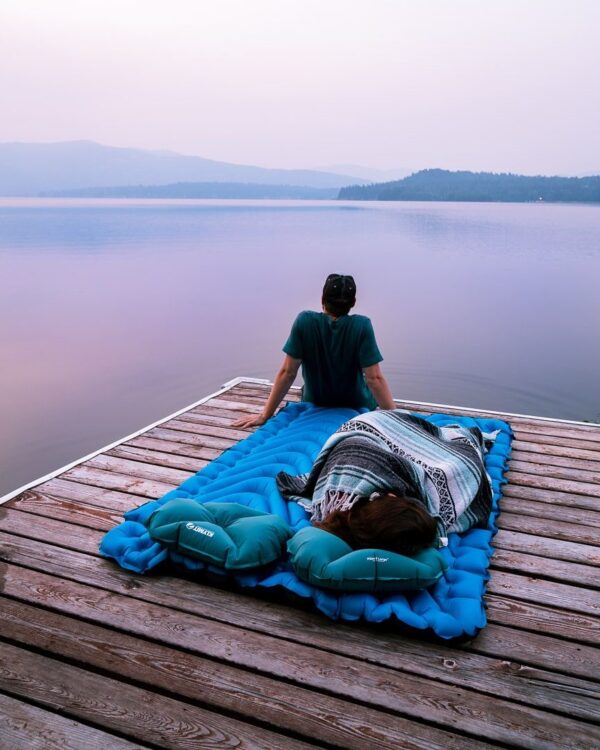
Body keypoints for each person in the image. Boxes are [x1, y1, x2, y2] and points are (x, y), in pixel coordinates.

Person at [277, 409, 493, 555]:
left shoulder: (336, 499)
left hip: (367, 430)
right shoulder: (380, 529)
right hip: (373, 433)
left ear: (384, 498)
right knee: (463, 461)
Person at [234, 274, 395, 429]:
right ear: (353, 302)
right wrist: (396, 419)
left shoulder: (305, 321)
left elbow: (287, 373)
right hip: (356, 403)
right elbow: (374, 379)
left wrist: (265, 415)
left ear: (322, 299)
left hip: (316, 402)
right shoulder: (362, 325)